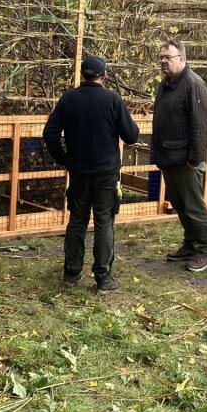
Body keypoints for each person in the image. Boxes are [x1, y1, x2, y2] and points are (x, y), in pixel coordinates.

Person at [43, 55, 139, 291]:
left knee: (77, 221)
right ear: (103, 76)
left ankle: (71, 273)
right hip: (106, 174)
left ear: (82, 75)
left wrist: (63, 158)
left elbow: (50, 133)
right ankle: (103, 277)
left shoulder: (69, 99)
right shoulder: (113, 99)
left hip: (78, 173)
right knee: (104, 222)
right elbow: (131, 136)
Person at [151, 39, 207, 273]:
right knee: (179, 204)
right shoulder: (166, 84)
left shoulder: (193, 85)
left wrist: (194, 159)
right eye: (161, 57)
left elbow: (202, 126)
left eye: (167, 57)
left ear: (182, 59)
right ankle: (190, 244)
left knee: (194, 206)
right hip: (168, 157)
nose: (163, 61)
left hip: (186, 161)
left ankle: (204, 252)